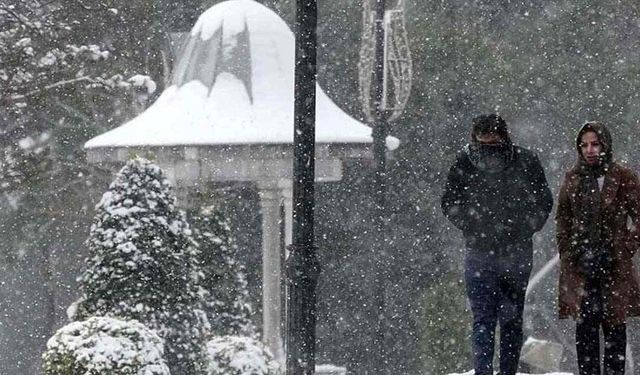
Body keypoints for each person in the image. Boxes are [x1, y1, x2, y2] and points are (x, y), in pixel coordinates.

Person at [441, 113, 553, 375]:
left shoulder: (525, 161)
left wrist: (523, 227)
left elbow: (542, 201)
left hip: (512, 252)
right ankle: (485, 371)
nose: (488, 151)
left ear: (504, 138)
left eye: (493, 143)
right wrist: (474, 224)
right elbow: (449, 201)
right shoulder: (466, 162)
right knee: (487, 320)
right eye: (484, 144)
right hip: (483, 251)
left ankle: (505, 371)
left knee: (507, 321)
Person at [556, 121, 640, 375]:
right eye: (585, 145)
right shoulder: (573, 178)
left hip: (614, 268)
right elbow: (563, 221)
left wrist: (622, 249)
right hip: (582, 268)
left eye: (595, 144)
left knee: (615, 330)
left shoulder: (623, 177)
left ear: (605, 145)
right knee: (586, 333)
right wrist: (573, 253)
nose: (590, 150)